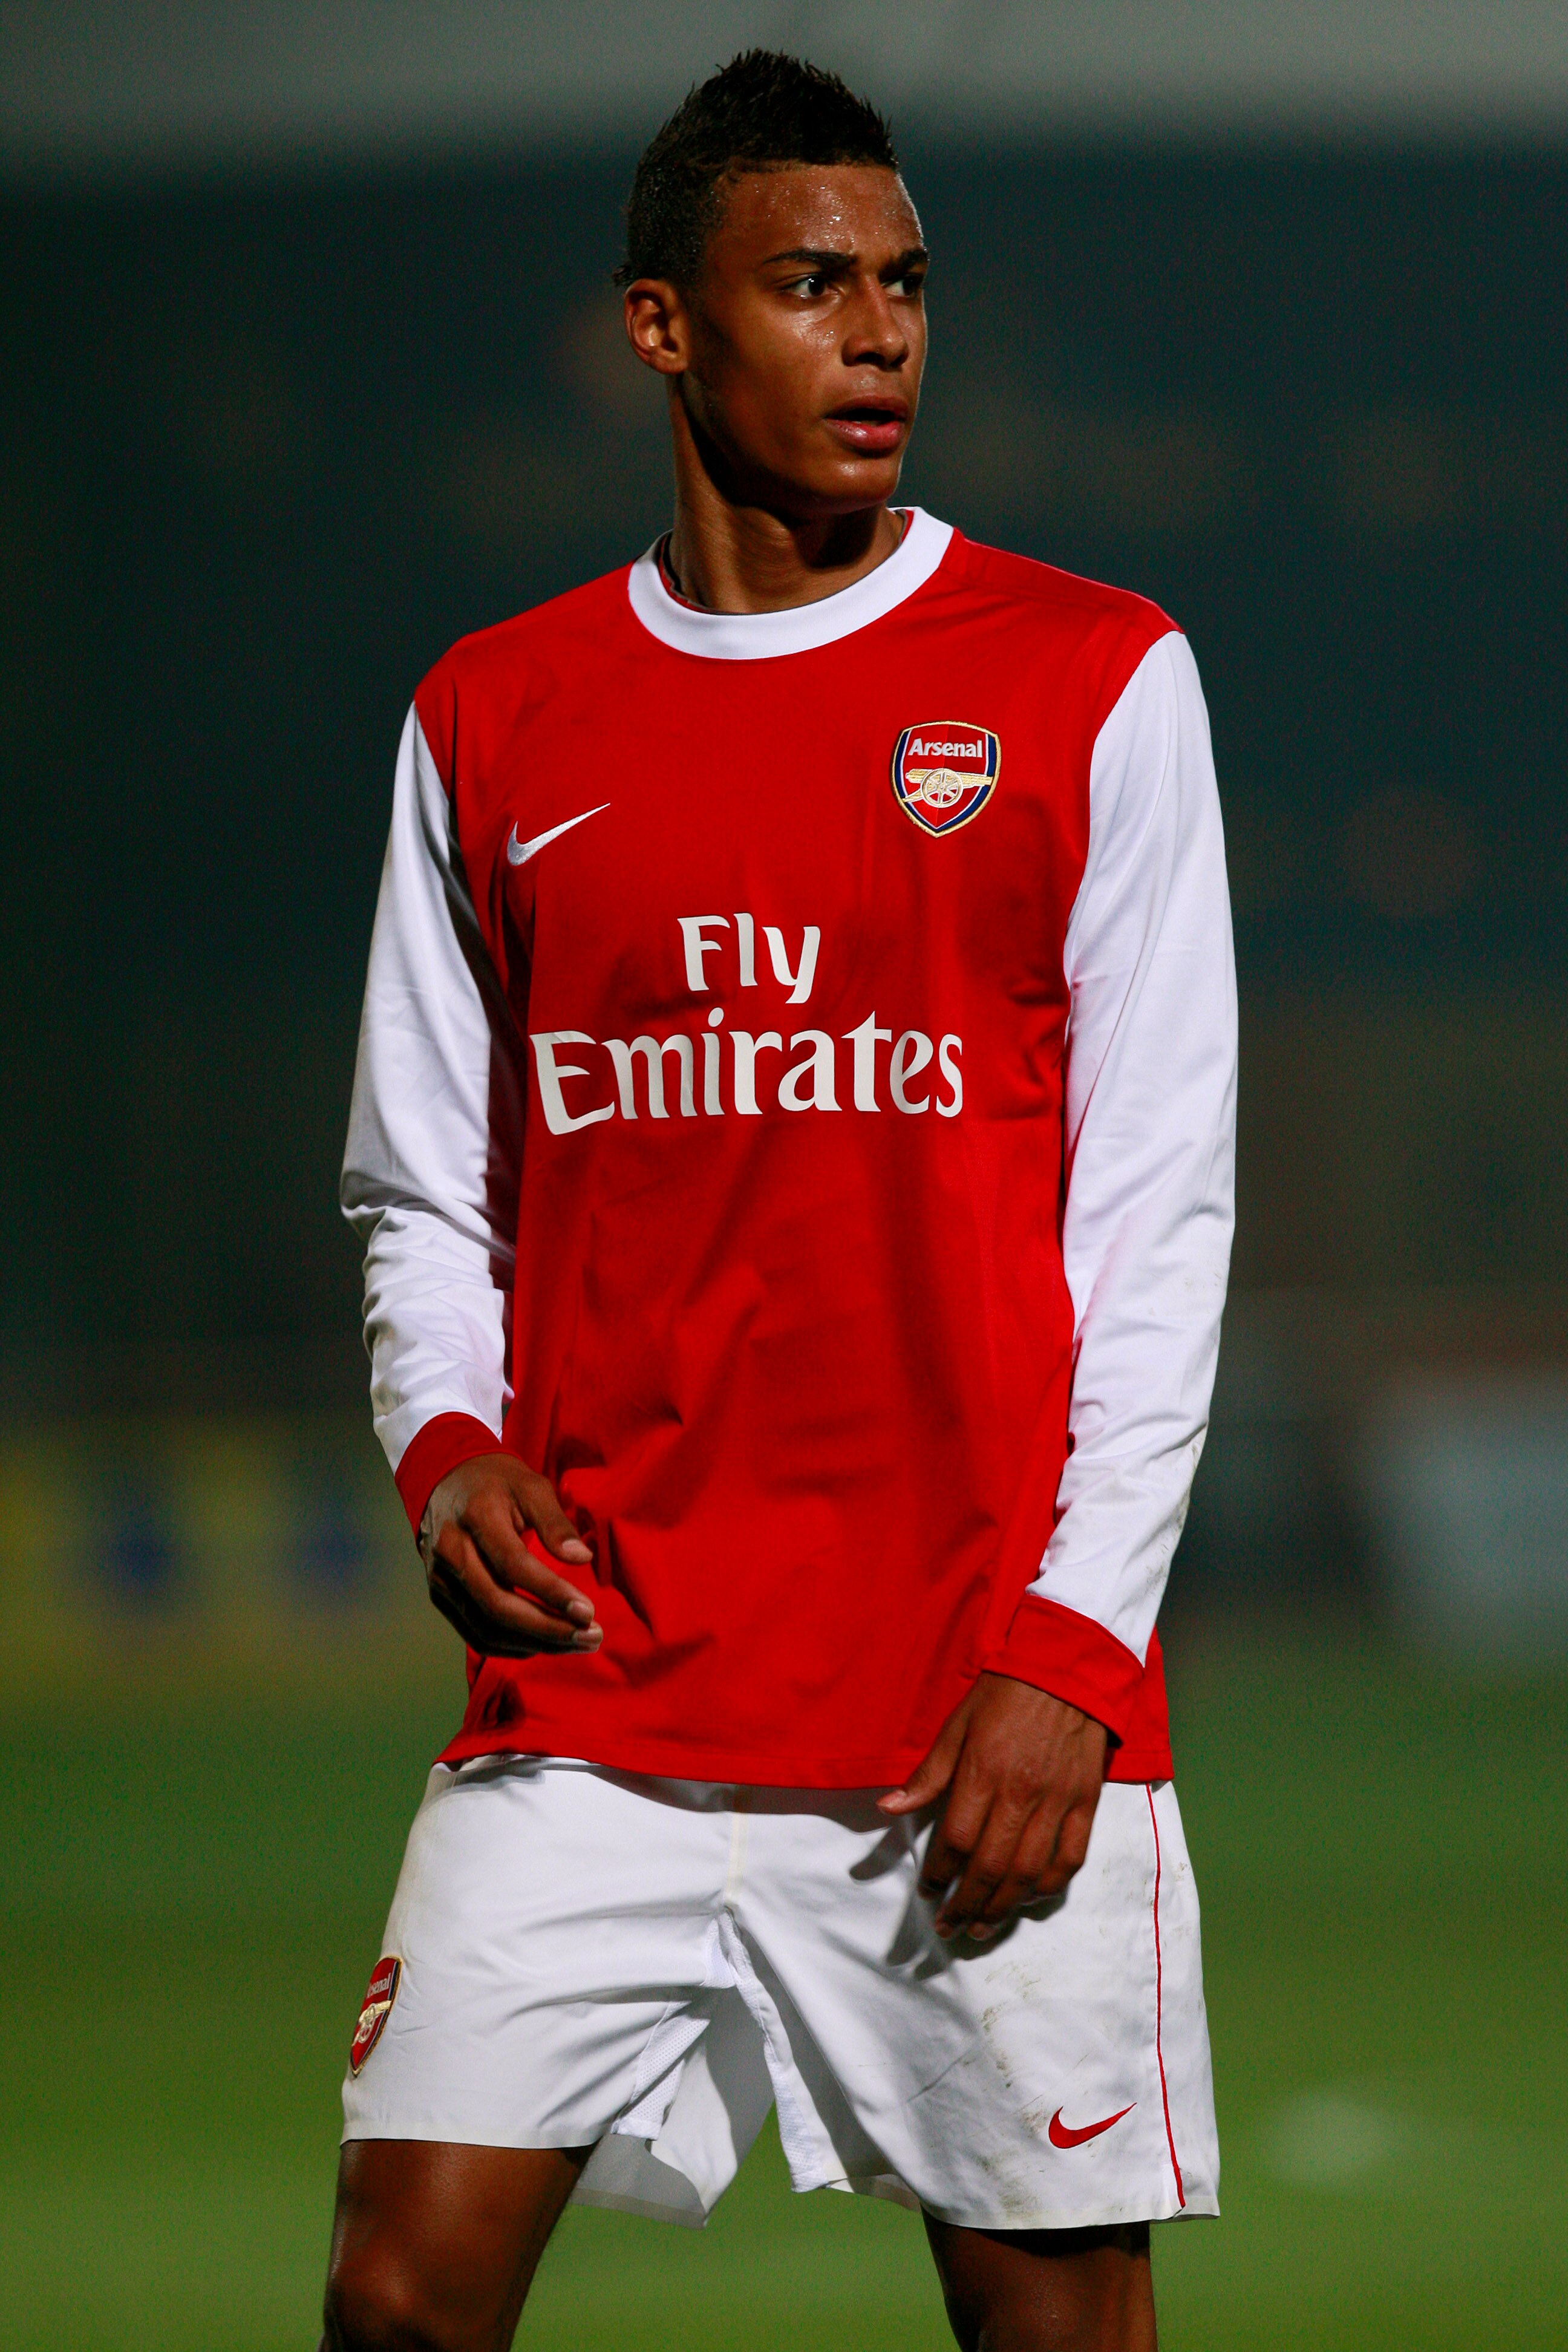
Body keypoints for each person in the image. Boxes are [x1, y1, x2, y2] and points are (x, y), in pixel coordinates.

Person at [324, 49, 1235, 2352]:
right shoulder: (493, 718)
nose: (882, 333)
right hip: (595, 1692)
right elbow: (426, 1193)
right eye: (814, 282)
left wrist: (1072, 1649)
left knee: (1057, 2338)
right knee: (398, 2303)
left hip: (967, 1709)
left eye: (907, 284)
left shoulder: (1090, 678)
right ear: (664, 327)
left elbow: (1161, 1218)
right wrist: (441, 1445)